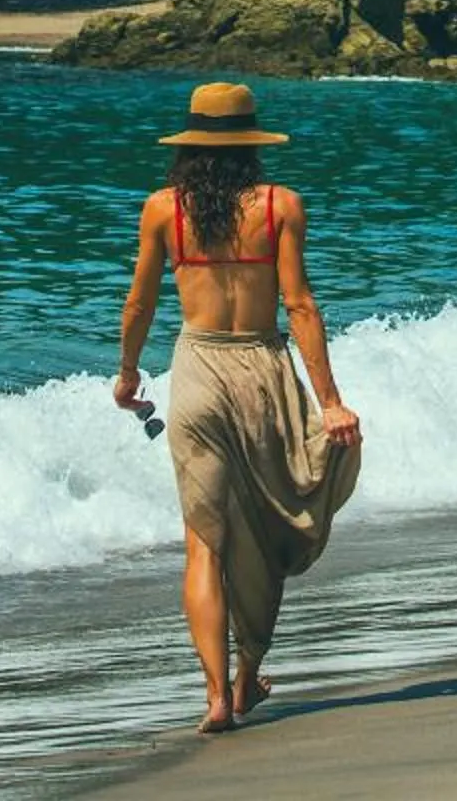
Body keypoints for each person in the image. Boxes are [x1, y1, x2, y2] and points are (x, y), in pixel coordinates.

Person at [116, 80, 364, 734]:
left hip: (196, 373)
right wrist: (330, 402)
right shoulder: (281, 205)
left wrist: (126, 374)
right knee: (264, 527)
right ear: (253, 143)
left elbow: (139, 303)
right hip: (261, 370)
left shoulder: (162, 209)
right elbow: (300, 305)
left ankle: (219, 694)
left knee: (204, 543)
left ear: (188, 146)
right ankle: (249, 668)